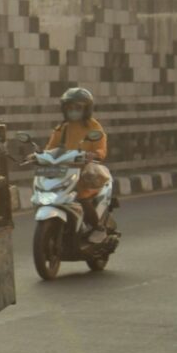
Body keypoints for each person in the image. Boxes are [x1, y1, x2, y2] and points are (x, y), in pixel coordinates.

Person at [45, 87, 109, 243]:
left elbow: (101, 146)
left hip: (85, 173)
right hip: (64, 171)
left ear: (86, 109)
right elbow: (50, 148)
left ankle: (97, 228)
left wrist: (96, 154)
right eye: (70, 107)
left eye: (78, 107)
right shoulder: (62, 128)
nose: (73, 111)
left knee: (81, 198)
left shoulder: (93, 126)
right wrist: (40, 156)